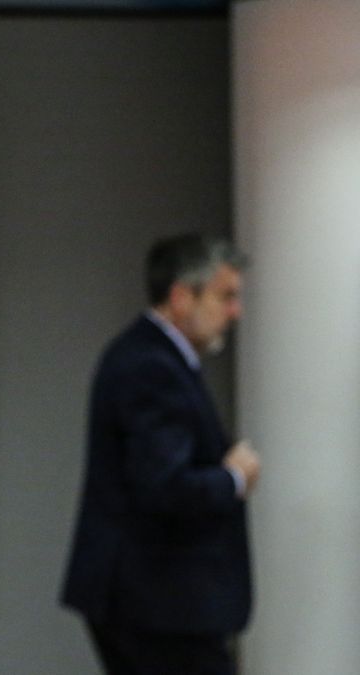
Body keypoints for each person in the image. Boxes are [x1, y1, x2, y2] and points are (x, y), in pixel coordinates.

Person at [61, 233, 260, 675]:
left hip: (153, 599)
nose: (235, 312)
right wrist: (233, 478)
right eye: (225, 296)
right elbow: (164, 487)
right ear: (181, 297)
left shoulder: (151, 356)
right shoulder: (152, 366)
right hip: (159, 604)